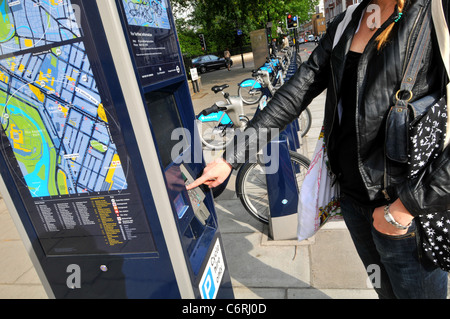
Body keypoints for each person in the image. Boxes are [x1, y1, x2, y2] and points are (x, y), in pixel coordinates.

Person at [187, 0, 450, 299]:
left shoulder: (436, 11)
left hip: (407, 212)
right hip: (353, 203)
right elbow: (297, 91)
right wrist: (230, 159)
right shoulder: (349, 20)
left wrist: (404, 209)